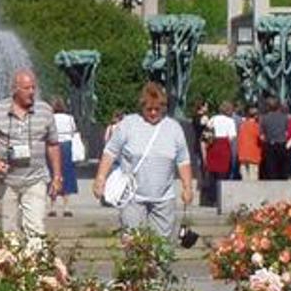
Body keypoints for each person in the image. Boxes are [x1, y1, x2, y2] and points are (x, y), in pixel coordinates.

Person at [91, 82, 193, 241]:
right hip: (132, 197)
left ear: (163, 108)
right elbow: (110, 151)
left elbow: (183, 160)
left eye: (157, 109)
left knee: (162, 245)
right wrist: (100, 178)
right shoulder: (128, 124)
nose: (153, 113)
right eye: (149, 109)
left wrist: (187, 187)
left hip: (163, 198)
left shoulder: (174, 128)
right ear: (142, 107)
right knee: (134, 242)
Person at [0, 71, 62, 240]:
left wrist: (57, 176)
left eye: (33, 88)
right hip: (6, 180)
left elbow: (53, 144)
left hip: (35, 178)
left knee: (36, 228)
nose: (31, 92)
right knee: (9, 231)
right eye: (26, 88)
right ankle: (13, 256)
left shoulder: (44, 110)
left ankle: (35, 256)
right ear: (15, 89)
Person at [50, 96, 80, 217]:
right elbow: (73, 131)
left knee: (53, 174)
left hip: (54, 145)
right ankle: (66, 207)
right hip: (66, 146)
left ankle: (52, 206)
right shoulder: (69, 118)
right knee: (67, 175)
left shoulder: (50, 118)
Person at [258, 98, 291, 181]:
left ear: (268, 107)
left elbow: (261, 136)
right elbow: (287, 133)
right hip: (282, 144)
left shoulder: (264, 118)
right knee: (282, 171)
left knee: (271, 171)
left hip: (270, 145)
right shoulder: (285, 117)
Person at [237, 106, 261, 181]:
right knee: (253, 179)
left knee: (244, 179)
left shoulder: (242, 125)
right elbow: (260, 139)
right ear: (256, 116)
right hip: (253, 155)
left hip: (242, 154)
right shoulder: (256, 126)